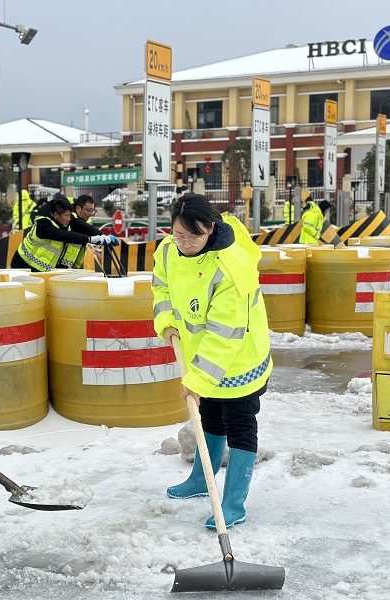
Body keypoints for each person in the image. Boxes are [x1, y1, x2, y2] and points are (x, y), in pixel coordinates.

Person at [152, 192, 272, 530]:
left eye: (195, 236)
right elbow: (161, 289)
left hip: (238, 361)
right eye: (179, 235)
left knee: (239, 425)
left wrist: (197, 381)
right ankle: (202, 479)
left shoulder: (231, 269)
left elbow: (224, 335)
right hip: (199, 356)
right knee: (209, 415)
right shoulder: (168, 251)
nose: (185, 244)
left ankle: (233, 502)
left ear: (212, 228)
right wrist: (166, 323)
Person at [10, 193, 117, 271]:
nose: (69, 219)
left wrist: (102, 236)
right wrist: (90, 239)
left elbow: (80, 225)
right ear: (56, 215)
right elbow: (62, 235)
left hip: (44, 269)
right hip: (23, 265)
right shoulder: (43, 225)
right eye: (66, 216)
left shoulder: (64, 220)